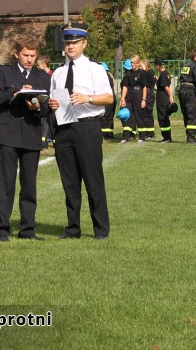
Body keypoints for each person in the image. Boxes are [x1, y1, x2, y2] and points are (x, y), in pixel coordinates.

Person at [48, 23, 114, 240]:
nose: (70, 46)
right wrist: (52, 104)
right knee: (69, 182)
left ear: (84, 43)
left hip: (87, 127)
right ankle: (72, 228)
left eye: (75, 42)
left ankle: (101, 229)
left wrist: (88, 98)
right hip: (63, 127)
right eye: (68, 43)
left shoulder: (95, 69)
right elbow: (54, 98)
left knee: (93, 180)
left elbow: (109, 98)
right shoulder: (58, 72)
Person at [0, 36, 51, 242]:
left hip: (32, 135)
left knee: (29, 186)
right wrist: (15, 93)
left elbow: (47, 108)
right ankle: (1, 230)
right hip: (8, 135)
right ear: (16, 53)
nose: (29, 59)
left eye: (33, 55)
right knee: (6, 185)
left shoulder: (42, 76)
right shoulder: (4, 71)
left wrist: (38, 106)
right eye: (26, 55)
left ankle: (27, 230)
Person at [135, 56, 156, 142]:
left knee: (148, 113)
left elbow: (148, 84)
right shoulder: (147, 72)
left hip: (149, 94)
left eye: (141, 65)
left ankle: (150, 133)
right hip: (146, 93)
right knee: (144, 113)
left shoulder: (150, 72)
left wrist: (143, 70)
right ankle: (146, 132)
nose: (140, 67)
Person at [154, 57, 175, 143]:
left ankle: (167, 137)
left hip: (162, 99)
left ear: (157, 66)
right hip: (164, 98)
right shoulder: (166, 73)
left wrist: (170, 96)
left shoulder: (163, 74)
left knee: (163, 117)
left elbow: (166, 87)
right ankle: (167, 137)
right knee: (164, 116)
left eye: (155, 65)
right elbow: (168, 85)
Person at [118, 58, 138, 143]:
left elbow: (125, 88)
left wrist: (122, 99)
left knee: (125, 117)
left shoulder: (126, 76)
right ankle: (132, 134)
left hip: (127, 99)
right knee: (132, 117)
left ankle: (126, 137)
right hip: (135, 98)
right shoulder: (135, 75)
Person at [99, 62, 116, 139]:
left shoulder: (103, 77)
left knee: (104, 116)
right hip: (112, 97)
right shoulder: (110, 76)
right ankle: (109, 133)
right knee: (110, 116)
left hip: (106, 98)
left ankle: (104, 133)